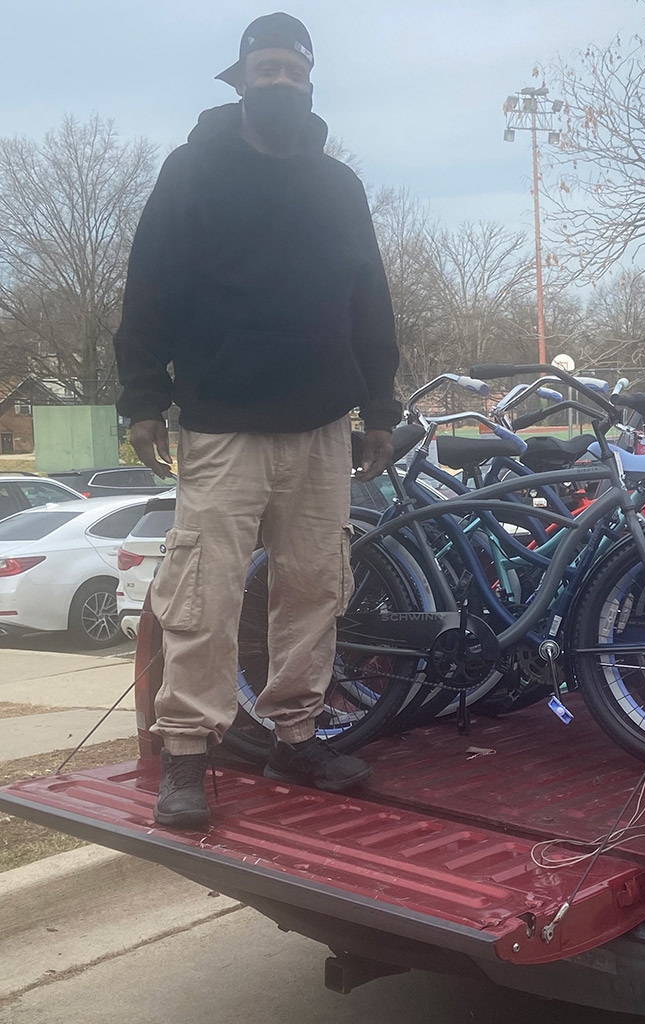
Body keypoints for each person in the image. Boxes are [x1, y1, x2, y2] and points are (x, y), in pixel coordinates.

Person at [114, 13, 401, 828]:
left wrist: (377, 404)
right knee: (204, 595)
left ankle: (295, 736)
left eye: (293, 70)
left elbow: (368, 302)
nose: (280, 82)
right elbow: (149, 290)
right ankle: (187, 755)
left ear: (310, 82)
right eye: (265, 69)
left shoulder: (338, 187)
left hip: (320, 427)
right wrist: (141, 397)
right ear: (240, 80)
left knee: (314, 588)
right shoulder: (190, 171)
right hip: (222, 423)